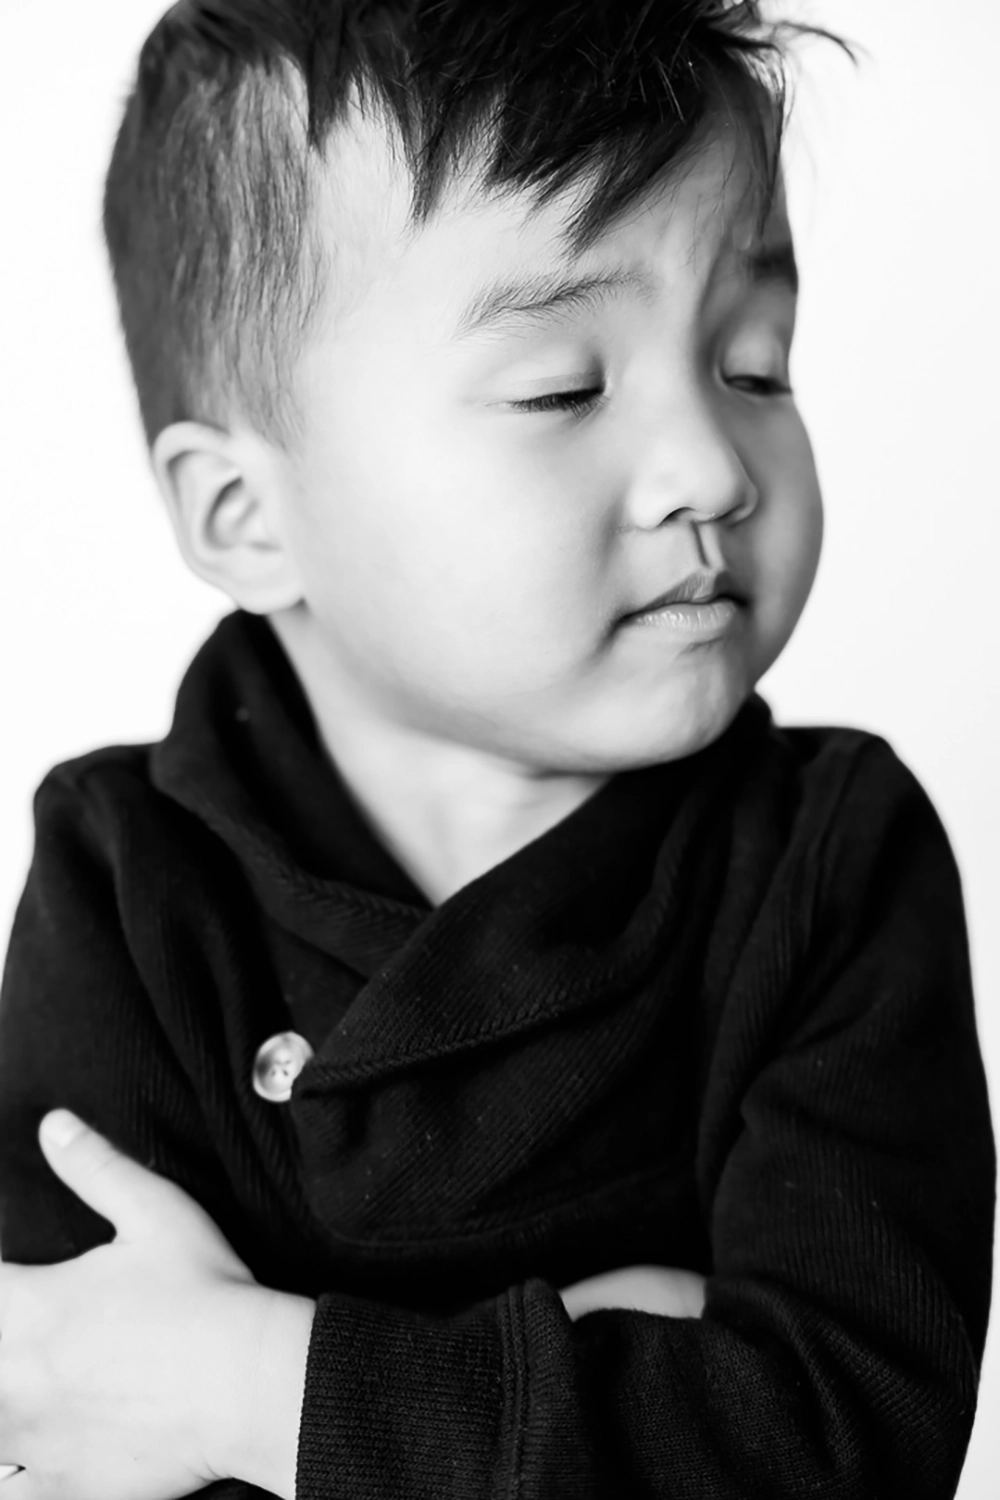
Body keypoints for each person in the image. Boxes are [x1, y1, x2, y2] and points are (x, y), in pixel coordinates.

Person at [0, 1, 993, 1496]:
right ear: (247, 516)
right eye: (564, 389)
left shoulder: (828, 864)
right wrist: (615, 1360)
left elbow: (833, 1443)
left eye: (757, 362)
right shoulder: (129, 887)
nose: (712, 469)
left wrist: (259, 1385)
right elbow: (62, 1409)